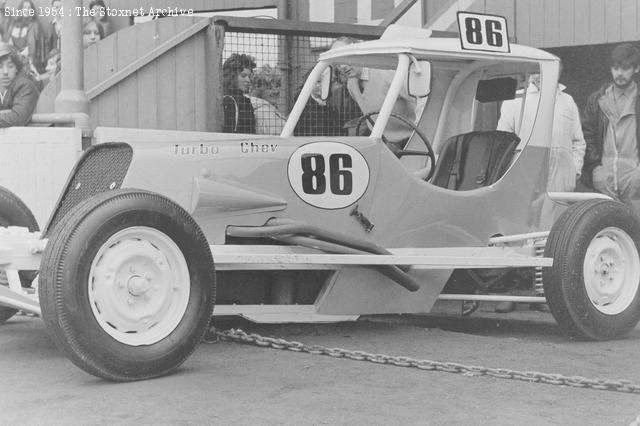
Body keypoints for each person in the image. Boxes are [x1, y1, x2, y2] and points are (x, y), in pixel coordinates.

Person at [494, 69, 586, 313]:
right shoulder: (516, 100)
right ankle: (510, 293)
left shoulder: (567, 102)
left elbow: (578, 141)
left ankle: (545, 294)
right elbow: (503, 138)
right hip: (525, 178)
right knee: (518, 236)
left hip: (559, 181)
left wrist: (573, 170)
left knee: (552, 237)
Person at [581, 43, 640, 215]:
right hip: (604, 184)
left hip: (635, 185)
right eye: (615, 68)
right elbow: (587, 134)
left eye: (625, 68)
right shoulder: (597, 100)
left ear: (636, 68)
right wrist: (595, 169)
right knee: (609, 236)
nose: (619, 73)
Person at [0, 42, 40, 127]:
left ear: (17, 68)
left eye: (10, 66)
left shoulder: (25, 86)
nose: (5, 72)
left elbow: (18, 118)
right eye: (0, 67)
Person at [294, 68, 341, 136]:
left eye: (327, 82)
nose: (323, 85)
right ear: (308, 82)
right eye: (318, 81)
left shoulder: (332, 106)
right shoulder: (301, 106)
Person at [6, 0, 46, 74]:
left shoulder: (34, 25)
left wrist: (21, 58)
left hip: (29, 62)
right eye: (24, 7)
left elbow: (31, 48)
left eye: (29, 8)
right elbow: (10, 44)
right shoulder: (14, 24)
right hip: (14, 61)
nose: (26, 10)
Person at [222, 53, 256, 134]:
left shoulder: (244, 101)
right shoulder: (229, 101)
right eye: (243, 75)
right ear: (232, 76)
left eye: (249, 76)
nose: (248, 80)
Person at [249, 65, 286, 135]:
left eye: (277, 86)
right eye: (269, 88)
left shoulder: (264, 109)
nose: (276, 91)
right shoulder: (265, 113)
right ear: (258, 89)